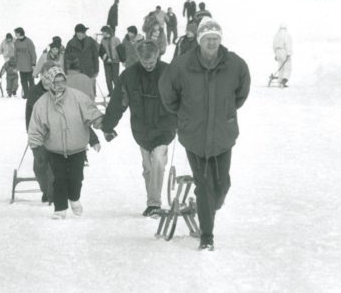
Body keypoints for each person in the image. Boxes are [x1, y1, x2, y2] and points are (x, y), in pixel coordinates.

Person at [159, 17, 251, 251]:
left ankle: (211, 204)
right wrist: (183, 115)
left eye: (215, 39)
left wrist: (227, 113)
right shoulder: (181, 65)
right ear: (199, 40)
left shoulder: (235, 64)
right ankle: (207, 236)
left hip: (223, 135)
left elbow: (241, 93)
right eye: (207, 38)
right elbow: (167, 93)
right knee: (204, 185)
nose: (212, 43)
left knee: (221, 185)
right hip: (194, 136)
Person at [102, 41, 176, 217]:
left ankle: (154, 204)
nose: (148, 66)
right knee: (149, 167)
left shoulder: (169, 73)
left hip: (164, 127)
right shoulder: (129, 76)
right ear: (139, 59)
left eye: (151, 62)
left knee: (158, 160)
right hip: (142, 130)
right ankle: (153, 200)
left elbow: (182, 99)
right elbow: (118, 102)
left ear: (157, 56)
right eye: (145, 63)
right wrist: (108, 126)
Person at [28, 66, 104, 219]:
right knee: (59, 179)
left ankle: (74, 199)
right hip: (54, 149)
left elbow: (91, 114)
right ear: (50, 83)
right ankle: (60, 208)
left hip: (77, 148)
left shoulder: (78, 97)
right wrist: (36, 148)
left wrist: (104, 126)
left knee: (77, 178)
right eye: (56, 82)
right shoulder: (42, 104)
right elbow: (36, 127)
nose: (60, 85)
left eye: (62, 81)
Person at [25, 62, 58, 203]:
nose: (46, 79)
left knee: (53, 168)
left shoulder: (58, 90)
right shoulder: (34, 92)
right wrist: (31, 135)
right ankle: (45, 190)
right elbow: (29, 115)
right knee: (39, 167)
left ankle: (52, 195)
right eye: (44, 75)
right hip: (38, 136)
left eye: (50, 76)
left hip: (56, 136)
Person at [65, 54, 102, 159]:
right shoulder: (86, 79)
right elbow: (91, 96)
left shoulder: (64, 79)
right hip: (84, 110)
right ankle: (82, 153)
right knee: (84, 129)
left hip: (68, 112)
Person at [64, 23, 100, 92]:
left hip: (89, 71)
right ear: (76, 33)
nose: (81, 34)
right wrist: (66, 72)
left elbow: (95, 57)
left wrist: (96, 70)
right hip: (76, 73)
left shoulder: (91, 42)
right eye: (79, 33)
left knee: (90, 91)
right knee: (78, 92)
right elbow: (66, 60)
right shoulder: (71, 43)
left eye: (82, 33)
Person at [14, 27, 37, 99]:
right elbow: (15, 54)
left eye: (16, 33)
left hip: (29, 66)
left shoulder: (28, 41)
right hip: (21, 66)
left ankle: (32, 94)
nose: (15, 34)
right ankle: (26, 94)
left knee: (31, 81)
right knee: (23, 81)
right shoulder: (16, 42)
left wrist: (33, 64)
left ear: (20, 33)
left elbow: (33, 53)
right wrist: (16, 65)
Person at [99, 25, 121, 96]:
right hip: (107, 62)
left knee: (115, 78)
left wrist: (120, 58)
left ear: (107, 32)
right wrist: (104, 57)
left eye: (103, 32)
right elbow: (101, 51)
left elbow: (120, 50)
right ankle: (111, 92)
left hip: (115, 61)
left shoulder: (116, 39)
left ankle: (117, 92)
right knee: (108, 78)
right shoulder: (103, 40)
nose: (102, 34)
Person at [273, 23, 293, 87]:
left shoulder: (276, 35)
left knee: (280, 67)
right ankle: (284, 81)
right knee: (287, 67)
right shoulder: (286, 34)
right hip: (284, 51)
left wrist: (276, 54)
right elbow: (288, 44)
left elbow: (273, 45)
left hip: (277, 51)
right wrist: (289, 53)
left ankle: (280, 81)